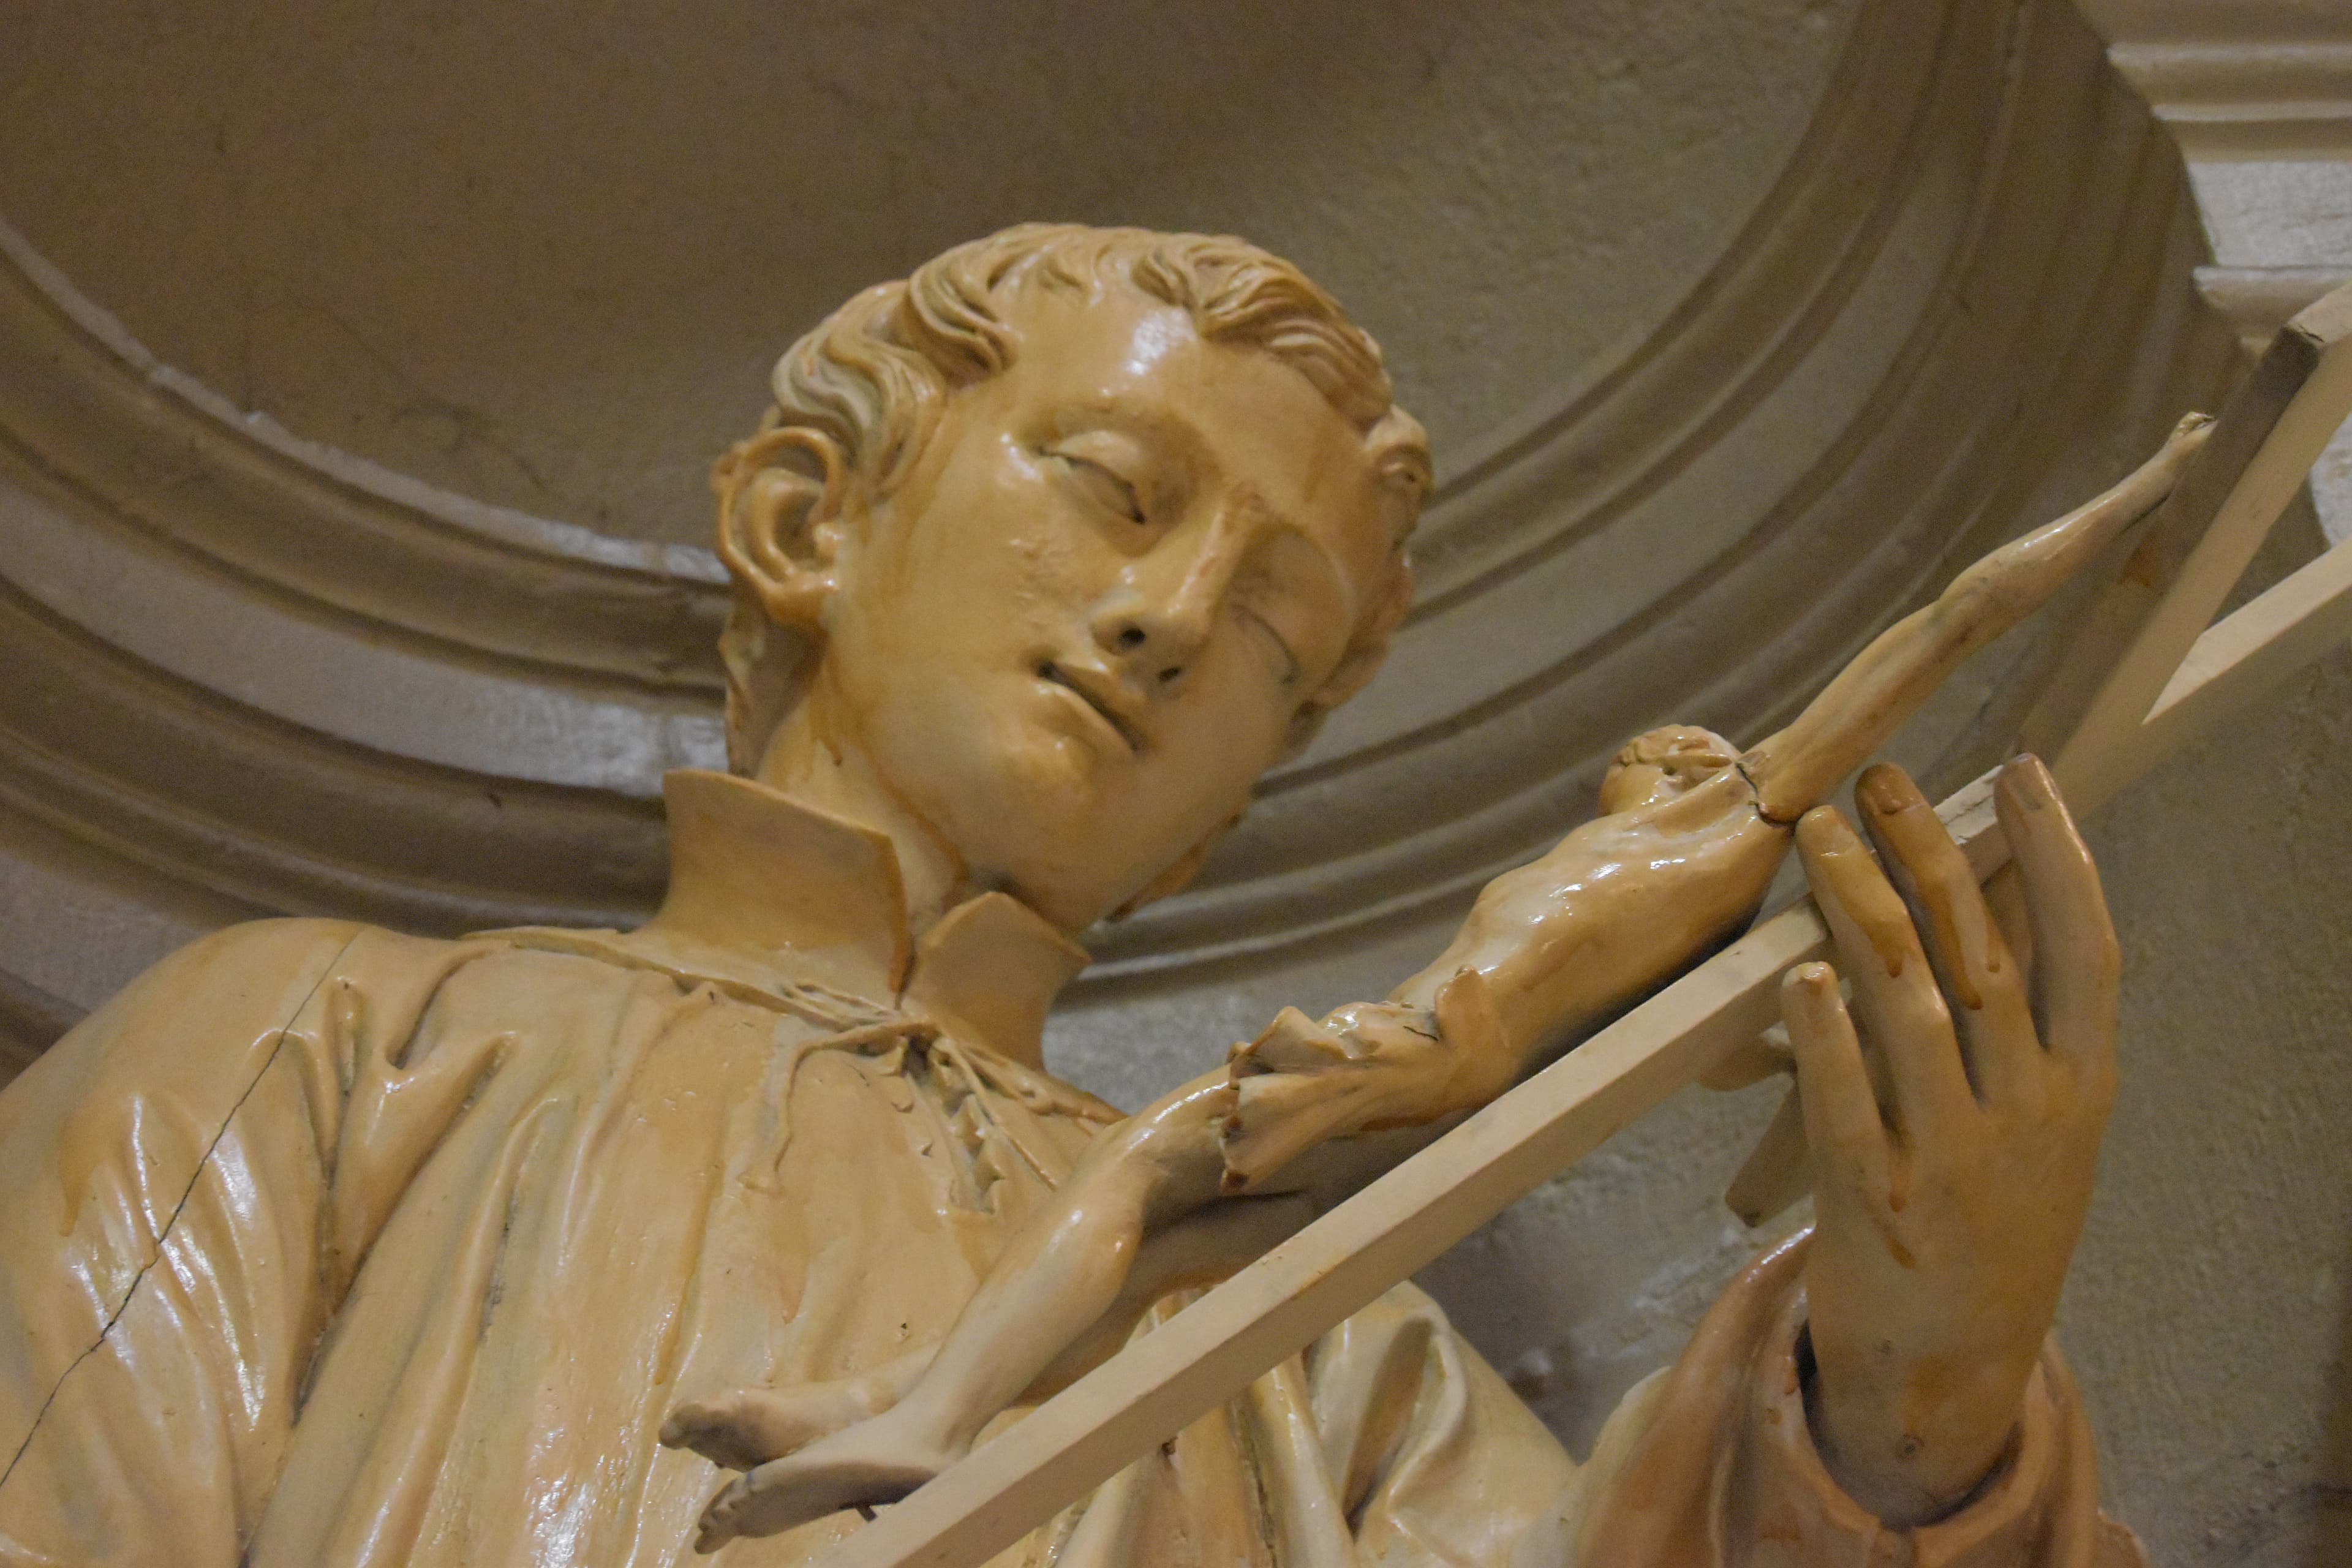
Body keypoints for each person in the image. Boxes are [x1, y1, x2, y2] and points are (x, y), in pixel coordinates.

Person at [0, 224, 2154, 1566]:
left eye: (1276, 634)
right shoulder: (313, 1044)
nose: (1172, 622)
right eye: (1119, 491)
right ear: (808, 518)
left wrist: (1915, 1401)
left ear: (1230, 813)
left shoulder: (1315, 1322)